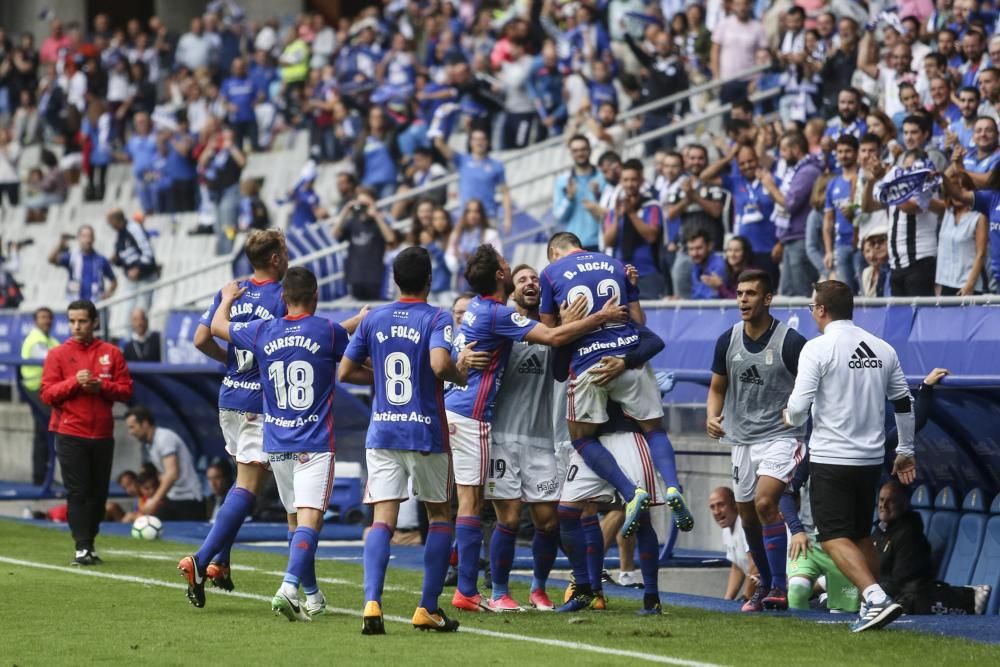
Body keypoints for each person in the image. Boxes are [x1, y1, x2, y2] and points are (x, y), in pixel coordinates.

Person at [444, 243, 628, 613]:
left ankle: (540, 588)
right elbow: (469, 347)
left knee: (547, 522)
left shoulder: (555, 328)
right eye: (520, 277)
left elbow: (562, 339)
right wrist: (460, 358)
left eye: (534, 278)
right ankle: (496, 590)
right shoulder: (508, 324)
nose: (528, 281)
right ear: (508, 286)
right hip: (502, 436)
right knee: (506, 517)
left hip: (545, 439)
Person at [209, 267, 362, 622]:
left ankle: (312, 594)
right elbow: (354, 356)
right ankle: (289, 587)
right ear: (315, 296)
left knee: (295, 520)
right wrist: (360, 322)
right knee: (311, 519)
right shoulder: (326, 330)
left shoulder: (263, 330)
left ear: (283, 299)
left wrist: (227, 300)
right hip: (314, 441)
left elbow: (217, 328)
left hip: (276, 442)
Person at [339, 246, 473, 634]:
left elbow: (345, 371)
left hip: (382, 430)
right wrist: (460, 376)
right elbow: (438, 364)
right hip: (426, 431)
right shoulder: (436, 317)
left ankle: (371, 604)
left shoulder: (374, 318)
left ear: (395, 280)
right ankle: (427, 608)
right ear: (430, 280)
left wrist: (379, 379)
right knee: (438, 515)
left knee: (383, 518)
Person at [541, 233, 692, 546]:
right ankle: (674, 486)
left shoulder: (551, 273)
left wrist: (565, 321)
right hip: (627, 356)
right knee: (654, 430)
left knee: (581, 439)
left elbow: (550, 334)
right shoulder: (615, 264)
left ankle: (629, 491)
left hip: (588, 363)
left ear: (555, 252)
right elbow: (638, 321)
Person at [784, 280, 916, 633]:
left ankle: (874, 598)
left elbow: (798, 409)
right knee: (858, 533)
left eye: (813, 308)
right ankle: (880, 597)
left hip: (831, 459)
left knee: (830, 536)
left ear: (822, 310)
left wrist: (788, 416)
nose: (812, 314)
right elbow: (904, 402)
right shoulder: (882, 348)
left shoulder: (817, 348)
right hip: (871, 461)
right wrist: (905, 450)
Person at [182, 229, 288, 602]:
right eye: (285, 251)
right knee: (248, 490)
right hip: (261, 401)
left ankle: (220, 562)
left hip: (229, 396)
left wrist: (229, 360)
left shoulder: (231, 290)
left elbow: (200, 338)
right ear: (275, 258)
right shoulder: (283, 296)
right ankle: (200, 559)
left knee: (240, 482)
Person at [707, 269, 808, 612]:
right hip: (742, 439)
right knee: (748, 516)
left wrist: (797, 412)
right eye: (739, 294)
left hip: (781, 436)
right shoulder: (727, 339)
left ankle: (779, 584)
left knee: (766, 503)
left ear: (767, 299)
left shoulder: (791, 342)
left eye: (751, 294)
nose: (743, 300)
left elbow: (812, 387)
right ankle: (764, 583)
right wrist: (711, 415)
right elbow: (717, 387)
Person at [40, 299, 133, 565]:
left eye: (81, 321)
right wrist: (74, 383)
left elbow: (126, 391)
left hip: (102, 433)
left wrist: (100, 388)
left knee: (98, 493)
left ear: (94, 323)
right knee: (78, 491)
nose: (76, 326)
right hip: (69, 432)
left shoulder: (112, 353)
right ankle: (82, 546)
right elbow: (47, 394)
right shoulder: (57, 354)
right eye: (72, 321)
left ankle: (89, 542)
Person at [874, 480, 990, 615]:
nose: (884, 505)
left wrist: (874, 590)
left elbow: (902, 579)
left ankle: (969, 596)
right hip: (885, 590)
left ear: (904, 504)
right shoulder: (880, 530)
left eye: (891, 501)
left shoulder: (909, 534)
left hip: (907, 594)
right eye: (881, 500)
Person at [759, 131, 822, 297]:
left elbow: (790, 203)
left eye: (784, 150)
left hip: (800, 239)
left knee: (802, 293)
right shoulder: (795, 170)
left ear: (795, 149)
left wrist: (770, 186)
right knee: (787, 293)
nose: (781, 155)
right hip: (790, 239)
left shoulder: (808, 171)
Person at [124, 406, 205, 521]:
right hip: (173, 498)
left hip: (188, 500)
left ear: (145, 424)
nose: (130, 432)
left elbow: (172, 474)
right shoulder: (150, 444)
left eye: (132, 427)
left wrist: (154, 501)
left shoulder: (164, 438)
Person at [434, 127, 513, 234]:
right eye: (476, 139)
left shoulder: (496, 165)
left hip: (488, 216)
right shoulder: (462, 160)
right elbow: (439, 144)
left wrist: (507, 218)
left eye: (482, 139)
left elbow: (505, 193)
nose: (479, 142)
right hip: (466, 216)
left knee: (488, 250)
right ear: (471, 142)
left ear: (487, 142)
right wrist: (441, 117)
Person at [603, 160, 664, 298]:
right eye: (626, 180)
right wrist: (618, 218)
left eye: (633, 180)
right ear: (620, 182)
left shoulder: (651, 206)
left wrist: (631, 214)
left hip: (647, 273)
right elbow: (608, 241)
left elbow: (651, 236)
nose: (629, 184)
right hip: (620, 273)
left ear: (640, 181)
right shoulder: (614, 210)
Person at [332, 188, 396, 300]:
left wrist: (376, 215)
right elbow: (334, 234)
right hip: (354, 275)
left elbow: (390, 238)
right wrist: (346, 210)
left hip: (375, 276)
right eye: (360, 203)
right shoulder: (353, 221)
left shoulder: (379, 221)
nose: (363, 207)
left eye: (366, 204)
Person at [21, 307, 59, 486]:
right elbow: (53, 361)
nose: (47, 321)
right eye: (43, 317)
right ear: (36, 320)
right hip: (35, 388)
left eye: (49, 317)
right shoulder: (36, 339)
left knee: (43, 432)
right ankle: (43, 476)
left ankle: (42, 477)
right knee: (49, 429)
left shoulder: (51, 340)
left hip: (46, 390)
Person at [553, 135, 606, 251]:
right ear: (570, 153)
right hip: (574, 245)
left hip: (602, 241)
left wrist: (599, 196)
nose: (580, 153)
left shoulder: (603, 176)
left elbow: (611, 212)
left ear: (590, 150)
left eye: (583, 149)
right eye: (575, 150)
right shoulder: (563, 181)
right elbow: (558, 217)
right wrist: (569, 198)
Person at [822, 135, 861, 293]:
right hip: (841, 245)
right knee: (845, 295)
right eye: (840, 151)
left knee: (867, 293)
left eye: (848, 151)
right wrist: (829, 250)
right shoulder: (832, 184)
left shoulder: (862, 179)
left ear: (856, 153)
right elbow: (828, 221)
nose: (843, 155)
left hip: (861, 244)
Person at [107, 209, 158, 316]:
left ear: (116, 219)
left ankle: (142, 333)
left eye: (110, 221)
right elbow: (124, 256)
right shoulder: (120, 234)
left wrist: (138, 268)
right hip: (131, 280)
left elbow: (148, 251)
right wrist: (116, 259)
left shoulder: (133, 228)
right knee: (129, 313)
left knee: (141, 312)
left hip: (145, 277)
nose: (109, 224)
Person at [49, 225, 117, 303]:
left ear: (94, 239)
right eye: (84, 236)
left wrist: (107, 294)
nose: (88, 239)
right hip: (75, 303)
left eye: (90, 236)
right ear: (79, 238)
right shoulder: (72, 256)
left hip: (96, 305)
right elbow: (51, 259)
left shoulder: (101, 259)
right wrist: (60, 244)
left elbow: (114, 281)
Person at [709, 486, 755, 601]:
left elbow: (756, 564)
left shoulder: (746, 524)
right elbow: (737, 567)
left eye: (721, 505)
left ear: (734, 504)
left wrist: (746, 597)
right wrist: (727, 601)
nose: (716, 512)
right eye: (712, 507)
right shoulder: (726, 530)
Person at [686, 228, 727, 300]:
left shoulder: (719, 265)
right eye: (691, 249)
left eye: (699, 248)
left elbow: (711, 299)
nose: (694, 253)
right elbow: (696, 296)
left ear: (710, 246)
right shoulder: (697, 263)